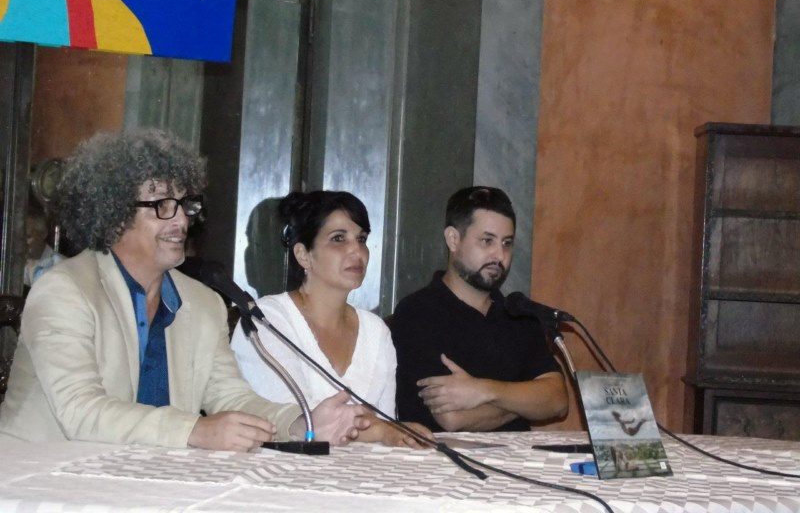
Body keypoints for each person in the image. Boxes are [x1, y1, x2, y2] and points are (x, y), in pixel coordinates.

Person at [0, 130, 366, 450]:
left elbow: (230, 398)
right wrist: (196, 430)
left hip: (144, 482)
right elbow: (81, 411)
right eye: (161, 205)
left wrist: (300, 423)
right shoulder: (64, 291)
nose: (180, 220)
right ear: (111, 214)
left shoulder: (203, 302)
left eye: (185, 204)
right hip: (43, 482)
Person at [232, 191, 432, 448]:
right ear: (304, 255)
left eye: (361, 239)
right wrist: (383, 431)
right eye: (338, 239)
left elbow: (386, 423)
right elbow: (281, 422)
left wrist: (388, 431)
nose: (356, 251)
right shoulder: (266, 319)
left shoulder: (375, 330)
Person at [391, 186, 568, 432]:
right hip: (444, 466)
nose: (499, 255)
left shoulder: (519, 313)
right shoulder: (417, 313)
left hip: (518, 464)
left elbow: (557, 400)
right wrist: (524, 399)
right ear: (453, 239)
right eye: (487, 241)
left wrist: (482, 390)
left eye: (507, 243)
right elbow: (453, 420)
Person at [24, 204, 64, 288]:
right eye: (18, 236)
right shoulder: (14, 265)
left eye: (28, 236)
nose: (22, 242)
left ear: (43, 234)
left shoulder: (59, 265)